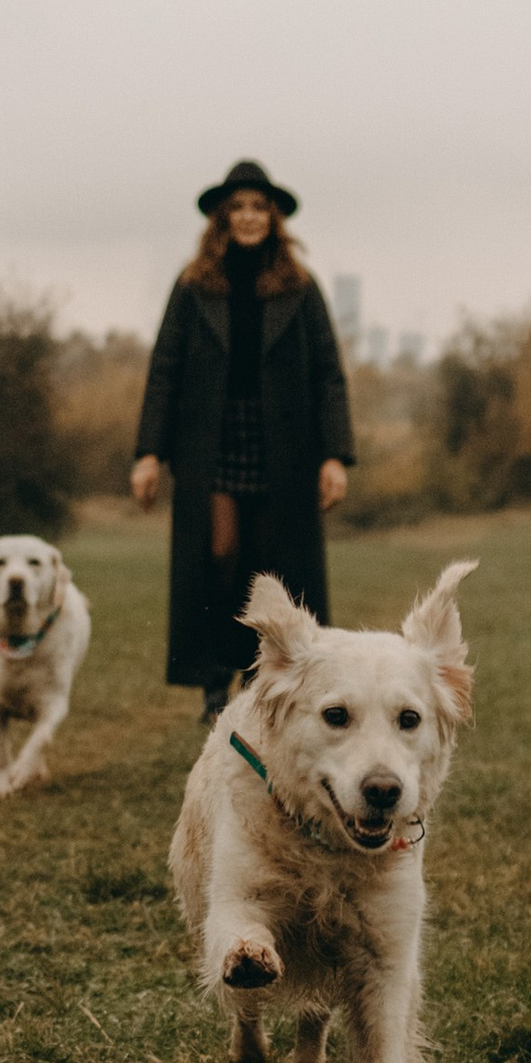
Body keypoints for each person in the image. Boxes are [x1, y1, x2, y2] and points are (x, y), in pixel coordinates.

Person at [131, 160, 356, 716]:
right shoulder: (193, 286)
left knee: (271, 567)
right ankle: (214, 675)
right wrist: (149, 453)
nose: (250, 216)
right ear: (222, 218)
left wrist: (334, 456)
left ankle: (262, 679)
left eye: (259, 207)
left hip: (286, 448)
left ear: (273, 218)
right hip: (210, 444)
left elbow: (328, 373)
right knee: (220, 553)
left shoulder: (300, 287)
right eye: (239, 207)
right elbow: (164, 369)